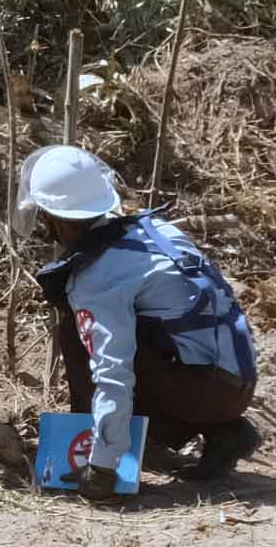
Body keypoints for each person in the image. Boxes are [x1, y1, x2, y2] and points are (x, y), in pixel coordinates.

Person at [22, 145, 260, 503]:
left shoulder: (98, 278)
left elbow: (112, 372)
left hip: (207, 390)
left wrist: (101, 465)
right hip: (235, 382)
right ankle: (224, 431)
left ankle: (97, 452)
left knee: (77, 332)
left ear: (53, 217)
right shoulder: (152, 231)